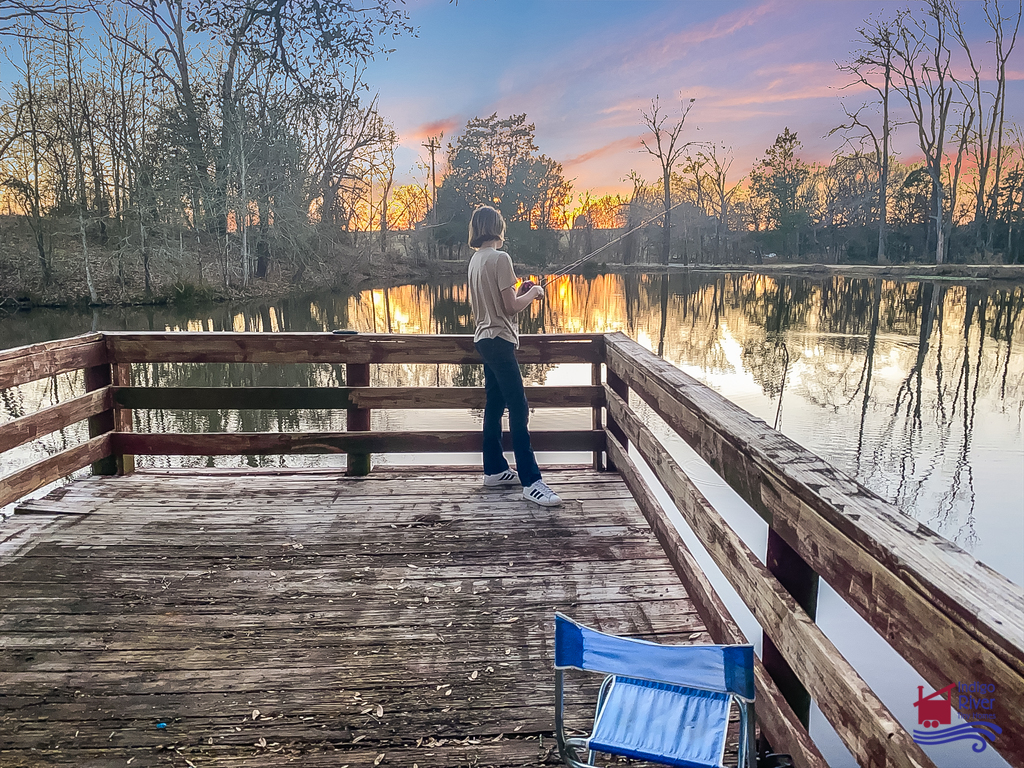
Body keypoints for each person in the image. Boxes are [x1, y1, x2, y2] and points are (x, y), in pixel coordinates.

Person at [467, 205, 561, 507]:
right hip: (500, 340)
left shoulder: (475, 260)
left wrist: (520, 289)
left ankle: (494, 469)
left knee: (495, 404)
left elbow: (498, 299)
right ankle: (532, 482)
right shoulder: (501, 257)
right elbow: (509, 308)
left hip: (483, 339)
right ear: (498, 228)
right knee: (519, 408)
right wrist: (534, 294)